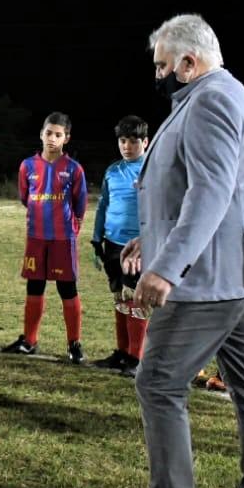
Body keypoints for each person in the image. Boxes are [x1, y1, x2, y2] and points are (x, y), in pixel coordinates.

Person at [93, 14, 244, 488]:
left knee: (157, 384)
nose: (159, 76)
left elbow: (210, 193)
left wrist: (167, 267)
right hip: (238, 273)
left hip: (211, 277)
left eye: (162, 66)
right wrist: (152, 242)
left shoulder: (211, 102)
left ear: (187, 63)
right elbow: (186, 190)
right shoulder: (227, 94)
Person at [1, 112, 87, 363]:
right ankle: (29, 340)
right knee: (34, 286)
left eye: (58, 135)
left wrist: (71, 227)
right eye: (48, 133)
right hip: (36, 237)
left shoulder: (74, 169)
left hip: (62, 239)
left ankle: (74, 344)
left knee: (67, 289)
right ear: (41, 134)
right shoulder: (27, 166)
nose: (52, 138)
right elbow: (24, 197)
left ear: (66, 138)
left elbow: (80, 205)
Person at [90, 116, 149, 373]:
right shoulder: (113, 170)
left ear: (145, 142)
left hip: (137, 246)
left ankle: (136, 358)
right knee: (119, 297)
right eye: (123, 141)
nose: (127, 146)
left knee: (136, 299)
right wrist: (96, 238)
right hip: (112, 243)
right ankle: (122, 353)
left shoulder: (153, 170)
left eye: (134, 141)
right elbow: (103, 205)